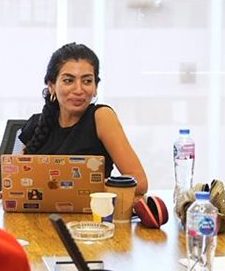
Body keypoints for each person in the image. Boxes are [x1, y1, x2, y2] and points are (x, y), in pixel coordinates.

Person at [19, 43, 149, 196]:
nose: (79, 90)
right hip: (40, 211)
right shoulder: (35, 124)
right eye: (69, 80)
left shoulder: (101, 117)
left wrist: (79, 187)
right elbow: (15, 178)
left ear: (95, 87)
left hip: (90, 211)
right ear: (51, 86)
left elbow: (140, 182)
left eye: (87, 81)